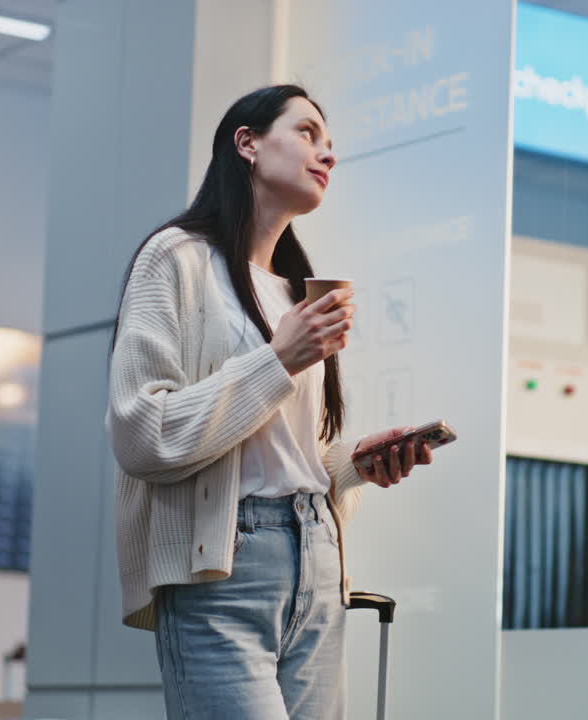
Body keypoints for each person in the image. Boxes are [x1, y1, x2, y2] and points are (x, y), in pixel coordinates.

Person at [106, 85, 435, 720]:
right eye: (308, 132)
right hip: (222, 568)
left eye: (331, 143)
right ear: (248, 143)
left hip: (316, 555)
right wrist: (279, 358)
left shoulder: (293, 293)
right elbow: (141, 434)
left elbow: (286, 455)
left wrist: (352, 465)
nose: (327, 154)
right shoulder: (175, 258)